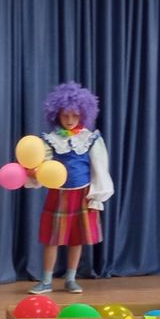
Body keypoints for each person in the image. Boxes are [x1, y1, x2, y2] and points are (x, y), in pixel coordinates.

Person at [28, 81, 114, 294]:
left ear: (83, 115)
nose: (69, 120)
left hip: (82, 195)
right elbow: (43, 164)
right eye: (65, 115)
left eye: (75, 116)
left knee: (77, 238)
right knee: (52, 239)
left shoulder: (90, 138)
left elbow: (99, 168)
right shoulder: (50, 140)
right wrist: (34, 173)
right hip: (58, 195)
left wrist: (97, 195)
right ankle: (46, 280)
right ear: (56, 114)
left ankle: (71, 278)